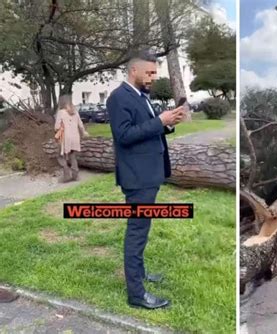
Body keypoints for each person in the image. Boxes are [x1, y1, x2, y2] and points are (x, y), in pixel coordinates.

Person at [107, 50, 186, 309]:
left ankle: (139, 274)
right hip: (137, 177)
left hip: (148, 174)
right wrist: (159, 121)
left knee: (143, 229)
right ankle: (137, 295)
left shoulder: (141, 96)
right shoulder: (119, 98)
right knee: (137, 233)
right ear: (134, 71)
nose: (153, 77)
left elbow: (148, 127)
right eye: (150, 73)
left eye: (155, 72)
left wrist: (168, 123)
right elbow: (124, 136)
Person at [54, 95, 89, 183]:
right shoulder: (75, 112)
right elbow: (80, 124)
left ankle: (66, 176)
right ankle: (75, 176)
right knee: (73, 156)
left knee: (60, 156)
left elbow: (57, 127)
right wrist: (84, 132)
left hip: (66, 138)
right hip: (75, 137)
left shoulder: (61, 112)